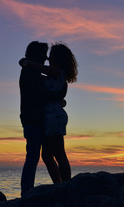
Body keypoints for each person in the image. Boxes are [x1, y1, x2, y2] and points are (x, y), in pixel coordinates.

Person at [19, 42, 78, 184]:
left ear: (58, 58)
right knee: (46, 155)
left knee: (58, 153)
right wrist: (59, 99)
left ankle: (66, 185)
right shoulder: (48, 74)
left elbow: (41, 69)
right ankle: (59, 184)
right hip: (48, 117)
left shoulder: (57, 72)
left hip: (54, 116)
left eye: (50, 55)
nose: (47, 58)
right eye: (46, 55)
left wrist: (26, 62)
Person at [19, 41, 48, 196]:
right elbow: (39, 94)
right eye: (43, 54)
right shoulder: (29, 72)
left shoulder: (31, 71)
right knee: (33, 156)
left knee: (37, 155)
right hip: (33, 120)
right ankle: (26, 192)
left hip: (35, 119)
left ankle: (27, 190)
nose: (46, 57)